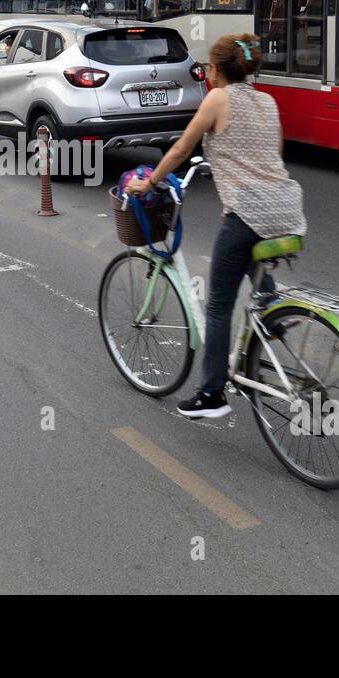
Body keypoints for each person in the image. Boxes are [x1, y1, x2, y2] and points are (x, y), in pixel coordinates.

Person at [126, 33, 306, 419]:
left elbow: (179, 149)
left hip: (247, 211)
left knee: (220, 302)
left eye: (208, 68)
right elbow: (272, 156)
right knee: (248, 255)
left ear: (219, 71)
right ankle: (273, 308)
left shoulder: (217, 99)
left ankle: (212, 394)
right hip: (288, 210)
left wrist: (150, 182)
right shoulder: (268, 101)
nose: (207, 74)